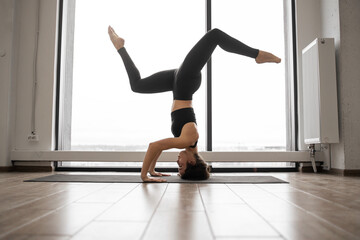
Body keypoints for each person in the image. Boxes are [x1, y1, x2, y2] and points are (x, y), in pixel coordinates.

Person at [108, 26, 281, 182]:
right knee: (215, 35)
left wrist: (153, 170)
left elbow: (159, 148)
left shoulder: (189, 144)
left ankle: (120, 46)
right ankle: (257, 55)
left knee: (137, 86)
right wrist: (144, 175)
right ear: (191, 161)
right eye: (181, 166)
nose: (177, 162)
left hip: (177, 83)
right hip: (185, 82)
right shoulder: (188, 139)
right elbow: (154, 146)